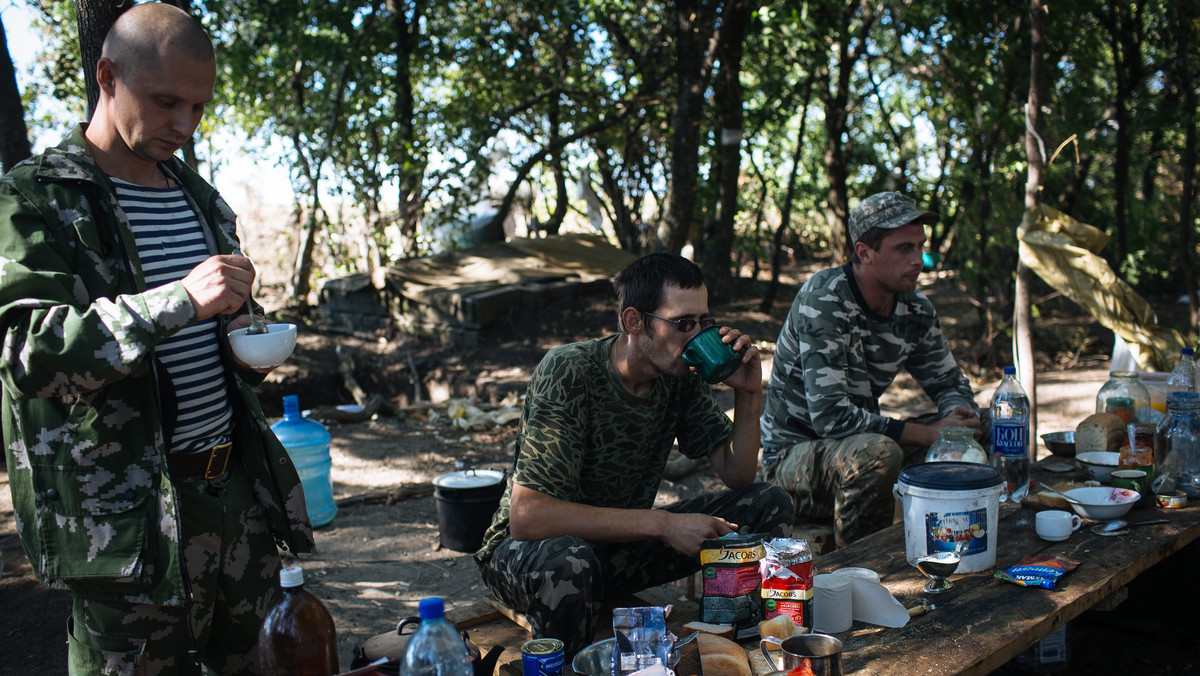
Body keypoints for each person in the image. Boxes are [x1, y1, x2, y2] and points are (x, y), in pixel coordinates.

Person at [0, 4, 313, 674]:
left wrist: (243, 331)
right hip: (125, 521)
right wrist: (179, 301)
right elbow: (27, 354)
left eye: (198, 107)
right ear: (106, 77)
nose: (184, 125)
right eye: (167, 101)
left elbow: (209, 338)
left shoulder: (198, 198)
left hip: (234, 500)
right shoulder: (35, 200)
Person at [474, 252, 793, 657]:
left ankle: (749, 641)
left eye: (703, 322)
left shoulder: (679, 374)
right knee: (570, 561)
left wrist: (749, 393)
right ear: (633, 321)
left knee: (767, 503)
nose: (696, 335)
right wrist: (663, 523)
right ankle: (569, 666)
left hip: (615, 550)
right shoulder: (570, 371)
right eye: (682, 324)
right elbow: (527, 517)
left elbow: (739, 475)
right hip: (529, 556)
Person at [759, 191, 981, 547]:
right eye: (904, 249)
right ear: (864, 253)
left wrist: (957, 415)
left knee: (974, 432)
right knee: (880, 453)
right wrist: (929, 434)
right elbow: (830, 418)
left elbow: (947, 380)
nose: (918, 260)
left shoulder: (915, 308)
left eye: (920, 246)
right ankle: (863, 567)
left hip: (857, 447)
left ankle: (958, 546)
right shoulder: (824, 298)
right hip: (792, 460)